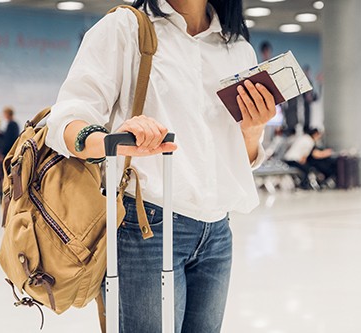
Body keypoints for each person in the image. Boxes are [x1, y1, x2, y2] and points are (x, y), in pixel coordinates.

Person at [45, 1, 276, 332]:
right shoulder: (126, 28)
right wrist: (111, 140)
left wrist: (252, 130)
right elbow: (66, 119)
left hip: (217, 232)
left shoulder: (237, 48)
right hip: (145, 226)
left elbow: (236, 156)